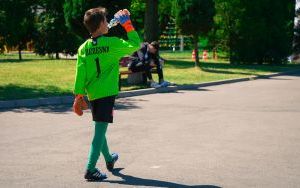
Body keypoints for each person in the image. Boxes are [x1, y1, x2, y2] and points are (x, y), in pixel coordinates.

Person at [73, 7, 140, 181]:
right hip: (107, 94)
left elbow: (80, 74)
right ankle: (90, 169)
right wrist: (128, 25)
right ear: (102, 24)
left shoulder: (83, 48)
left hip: (93, 94)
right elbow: (135, 45)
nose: (108, 20)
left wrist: (79, 95)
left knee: (100, 127)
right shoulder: (111, 43)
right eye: (106, 18)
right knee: (99, 131)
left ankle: (109, 159)